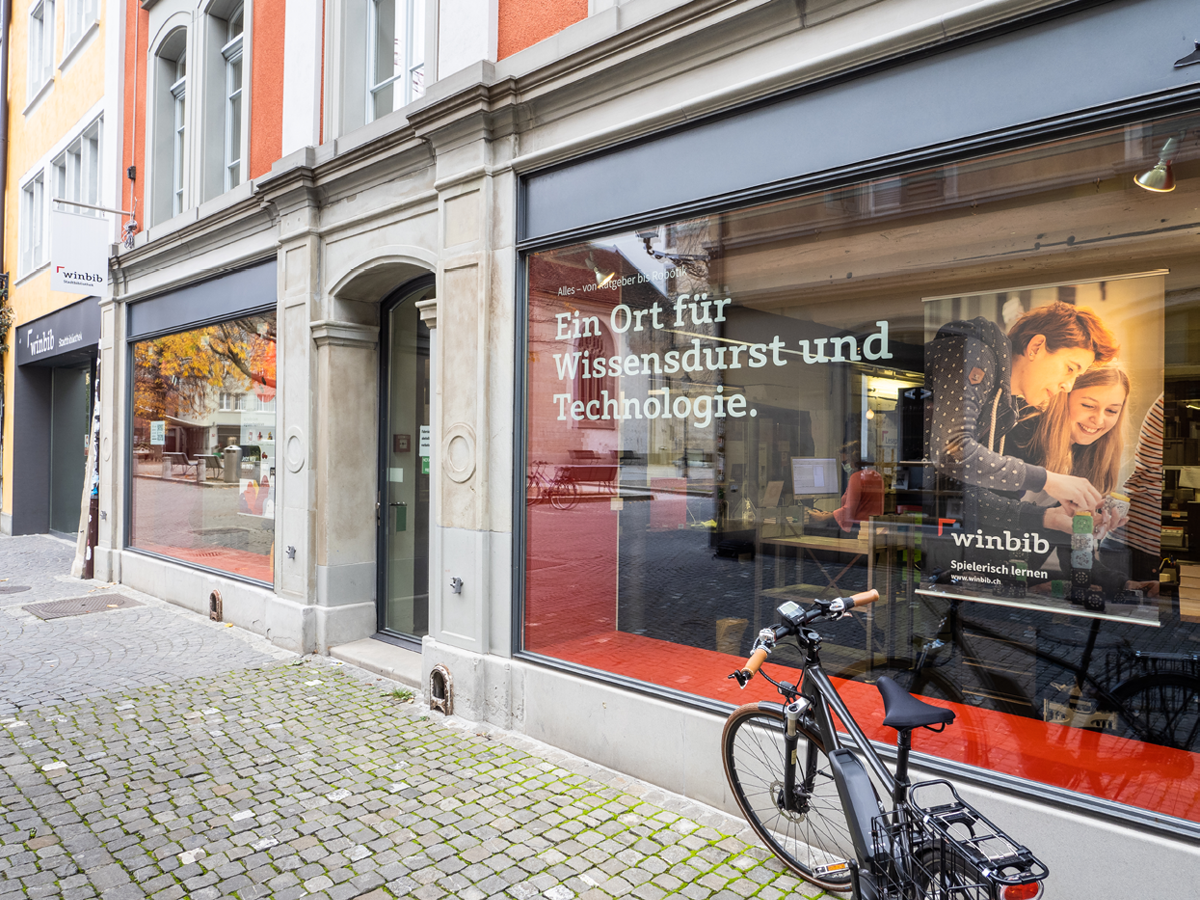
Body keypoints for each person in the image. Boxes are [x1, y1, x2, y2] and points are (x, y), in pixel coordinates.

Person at [925, 300, 1120, 536]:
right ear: (1036, 347)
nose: (1068, 386)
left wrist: (1048, 518)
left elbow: (962, 495)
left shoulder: (1006, 409)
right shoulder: (975, 354)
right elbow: (952, 454)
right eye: (1070, 368)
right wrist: (1048, 480)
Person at [809, 444, 884, 535]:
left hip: (857, 530)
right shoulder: (876, 476)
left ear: (854, 459)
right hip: (872, 529)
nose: (844, 466)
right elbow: (862, 507)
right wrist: (831, 514)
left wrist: (822, 517)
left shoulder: (857, 477)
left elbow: (849, 510)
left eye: (845, 462)